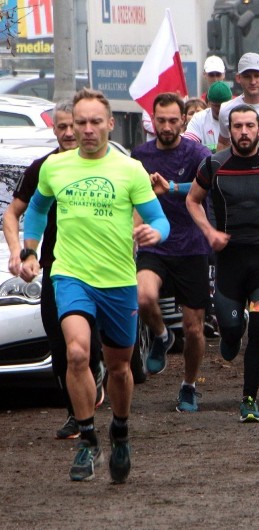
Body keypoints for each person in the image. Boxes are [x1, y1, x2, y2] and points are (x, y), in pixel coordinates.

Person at [21, 88, 170, 483]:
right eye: (80, 122)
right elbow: (36, 208)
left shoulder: (129, 169)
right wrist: (29, 251)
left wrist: (154, 233)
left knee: (120, 368)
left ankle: (119, 431)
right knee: (75, 353)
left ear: (110, 124)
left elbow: (160, 219)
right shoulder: (56, 167)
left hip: (118, 280)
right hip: (70, 273)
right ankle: (87, 440)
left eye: (94, 122)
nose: (87, 130)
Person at [2, 100, 105, 440]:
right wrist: (20, 253)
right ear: (55, 129)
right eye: (61, 126)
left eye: (71, 125)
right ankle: (76, 414)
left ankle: (99, 371)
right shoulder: (43, 169)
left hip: (102, 269)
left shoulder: (103, 165)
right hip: (58, 268)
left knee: (95, 345)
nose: (68, 132)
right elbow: (14, 214)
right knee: (61, 346)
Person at [186, 104, 259, 423]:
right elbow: (192, 200)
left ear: (258, 128)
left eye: (249, 126)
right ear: (229, 130)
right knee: (232, 329)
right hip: (228, 261)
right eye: (237, 126)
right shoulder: (213, 164)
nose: (243, 132)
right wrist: (209, 232)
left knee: (258, 328)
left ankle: (249, 399)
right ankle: (230, 335)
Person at [131, 93, 213, 412]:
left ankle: (189, 386)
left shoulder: (197, 152)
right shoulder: (140, 154)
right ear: (152, 121)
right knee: (143, 296)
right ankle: (162, 335)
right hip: (155, 242)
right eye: (160, 120)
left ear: (183, 120)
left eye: (172, 120)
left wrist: (173, 186)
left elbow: (208, 182)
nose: (166, 126)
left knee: (194, 328)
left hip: (191, 245)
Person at [217, 52, 259, 152]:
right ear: (238, 78)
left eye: (257, 75)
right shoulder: (226, 109)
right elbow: (223, 143)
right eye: (247, 76)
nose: (253, 81)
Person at [185, 81, 232, 152]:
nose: (221, 109)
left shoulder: (240, 117)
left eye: (224, 105)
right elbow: (188, 146)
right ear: (209, 103)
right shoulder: (199, 118)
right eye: (217, 106)